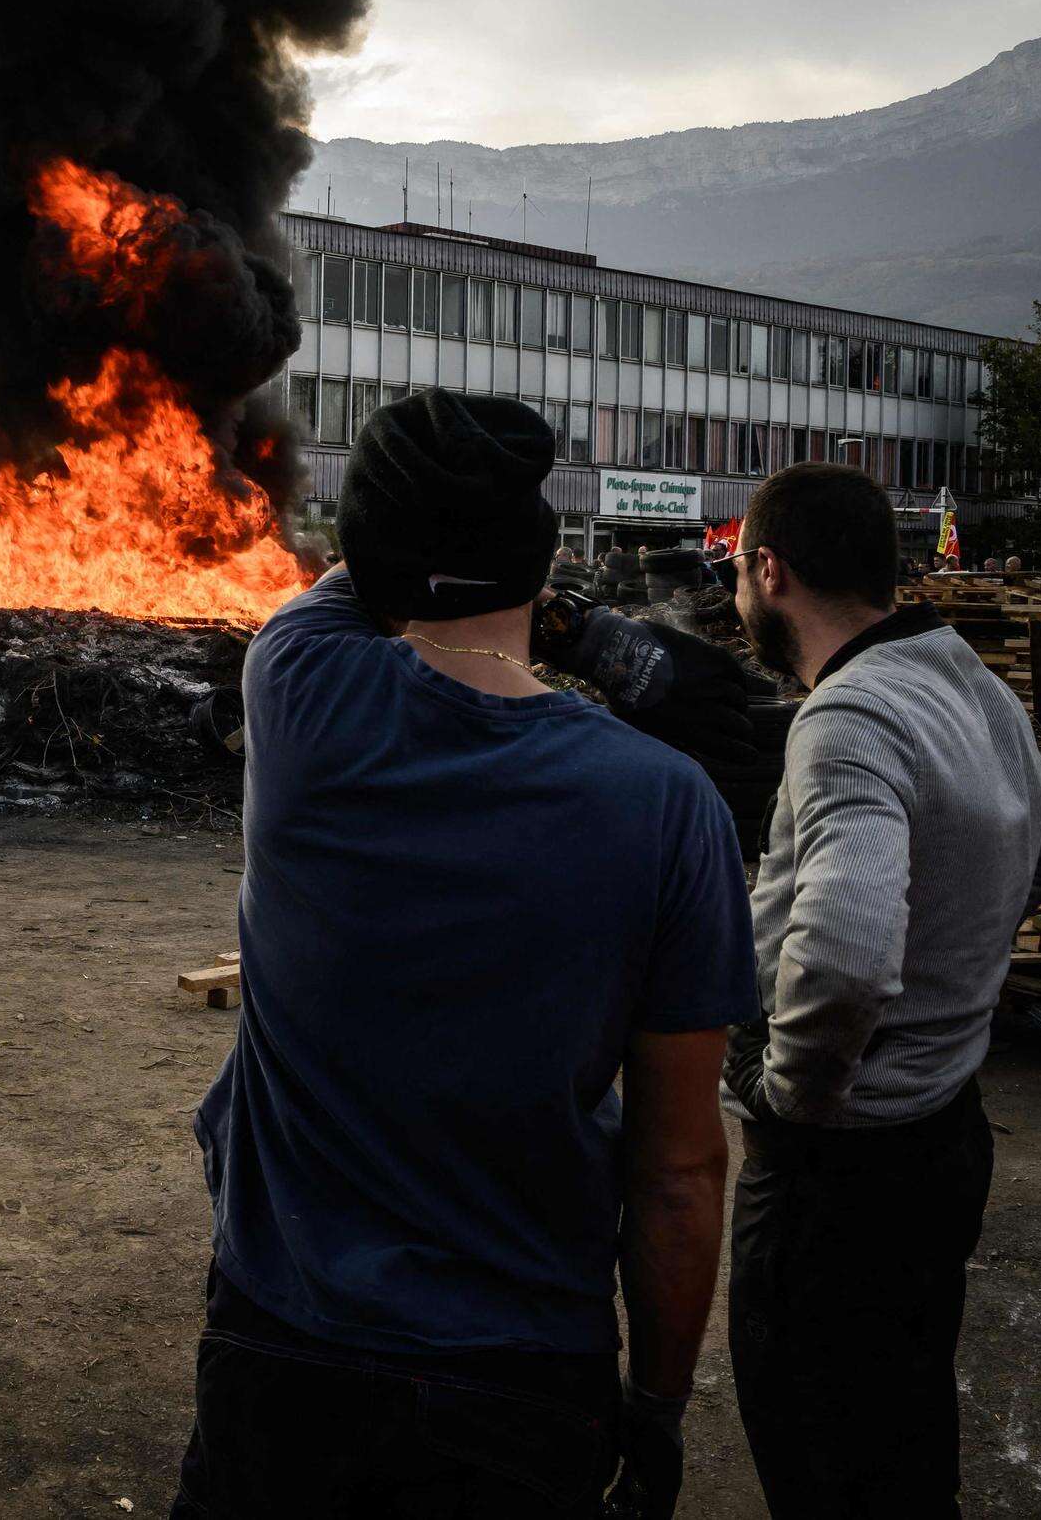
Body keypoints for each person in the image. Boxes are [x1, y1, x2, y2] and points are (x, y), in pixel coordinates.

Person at [177, 391, 754, 1520]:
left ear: (375, 552)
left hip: (283, 1341)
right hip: (522, 1375)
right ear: (536, 557)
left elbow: (358, 581)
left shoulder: (298, 692)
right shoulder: (667, 807)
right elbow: (681, 1172)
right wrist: (655, 1404)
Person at [723, 464, 1041, 1518]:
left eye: (742, 570)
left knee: (822, 1459)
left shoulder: (846, 717)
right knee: (899, 1425)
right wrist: (955, 947)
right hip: (943, 1136)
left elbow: (840, 960)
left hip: (838, 1168)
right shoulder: (960, 673)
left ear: (770, 569)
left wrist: (792, 1093)